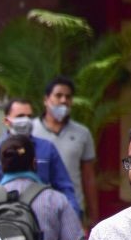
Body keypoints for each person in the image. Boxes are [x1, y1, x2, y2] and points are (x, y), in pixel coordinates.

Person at [0, 99, 80, 215]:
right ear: (6, 121)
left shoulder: (47, 149)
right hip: (5, 219)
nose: (26, 120)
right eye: (20, 116)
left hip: (43, 214)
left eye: (29, 116)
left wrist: (73, 213)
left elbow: (65, 187)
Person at [32, 76, 99, 221]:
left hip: (73, 209)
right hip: (36, 209)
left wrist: (94, 217)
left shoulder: (82, 133)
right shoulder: (31, 131)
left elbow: (88, 177)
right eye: (58, 95)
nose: (63, 100)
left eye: (68, 97)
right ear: (46, 100)